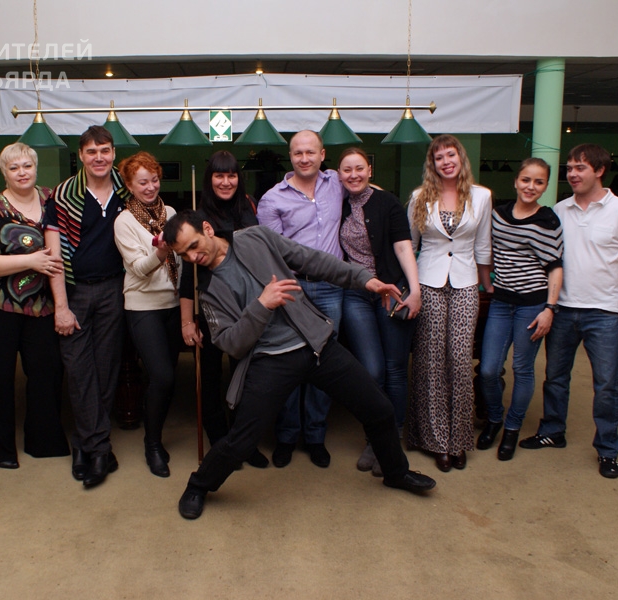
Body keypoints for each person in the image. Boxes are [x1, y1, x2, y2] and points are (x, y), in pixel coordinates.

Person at [163, 210, 436, 520]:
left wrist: (363, 279)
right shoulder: (209, 290)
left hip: (315, 344)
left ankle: (396, 473)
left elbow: (310, 260)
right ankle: (197, 486)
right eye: (184, 255)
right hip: (270, 360)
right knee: (242, 440)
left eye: (194, 245)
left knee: (379, 408)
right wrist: (261, 305)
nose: (193, 257)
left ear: (208, 229)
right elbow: (231, 343)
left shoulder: (256, 238)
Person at [519, 144, 618, 479]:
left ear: (599, 170)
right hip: (561, 309)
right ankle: (553, 431)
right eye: (570, 168)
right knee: (555, 378)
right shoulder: (558, 210)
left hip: (604, 313)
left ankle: (607, 449)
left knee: (607, 385)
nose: (573, 174)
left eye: (580, 168)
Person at [0, 142, 69, 469]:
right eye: (14, 168)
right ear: (4, 173)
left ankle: (44, 442)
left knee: (47, 373)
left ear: (36, 168)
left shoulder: (52, 199)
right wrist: (31, 261)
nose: (22, 172)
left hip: (40, 305)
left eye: (27, 166)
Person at [44, 125, 131, 489]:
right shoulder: (63, 196)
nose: (99, 157)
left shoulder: (127, 190)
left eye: (105, 150)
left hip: (115, 289)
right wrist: (61, 307)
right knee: (80, 372)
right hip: (75, 292)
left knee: (106, 370)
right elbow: (54, 257)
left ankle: (86, 444)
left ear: (113, 153)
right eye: (92, 151)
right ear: (81, 155)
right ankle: (99, 450)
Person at [256, 130, 345, 468]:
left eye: (310, 152)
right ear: (290, 156)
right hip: (294, 289)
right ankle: (286, 436)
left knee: (326, 363)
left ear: (322, 154)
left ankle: (316, 436)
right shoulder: (272, 200)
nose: (304, 158)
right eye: (297, 153)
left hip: (332, 287)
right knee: (290, 362)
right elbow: (271, 254)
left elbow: (366, 189)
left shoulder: (336, 183)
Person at [407, 135, 493, 473]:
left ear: (461, 158)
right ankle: (436, 440)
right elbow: (409, 246)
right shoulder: (419, 197)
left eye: (450, 155)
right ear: (432, 164)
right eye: (439, 157)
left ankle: (458, 440)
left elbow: (483, 244)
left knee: (458, 361)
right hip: (428, 283)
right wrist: (411, 288)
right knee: (430, 362)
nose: (446, 161)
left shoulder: (481, 196)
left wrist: (487, 285)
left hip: (466, 283)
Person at [179, 150, 268, 468]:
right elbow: (187, 274)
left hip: (247, 306)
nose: (226, 181)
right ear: (210, 179)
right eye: (219, 175)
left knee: (247, 376)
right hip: (211, 308)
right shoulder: (198, 216)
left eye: (231, 175)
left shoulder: (250, 206)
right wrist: (187, 321)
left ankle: (244, 442)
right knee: (211, 376)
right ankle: (220, 443)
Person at [336, 148, 421, 475]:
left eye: (359, 168)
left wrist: (414, 289)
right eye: (347, 170)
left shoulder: (388, 203)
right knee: (371, 371)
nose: (353, 175)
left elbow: (403, 246)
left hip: (392, 291)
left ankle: (391, 440)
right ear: (338, 174)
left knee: (395, 369)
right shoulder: (337, 203)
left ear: (370, 170)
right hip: (357, 294)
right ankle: (375, 436)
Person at [476, 158, 563, 461]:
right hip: (501, 303)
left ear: (546, 186)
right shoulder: (498, 215)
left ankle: (512, 428)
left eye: (539, 182)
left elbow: (555, 267)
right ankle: (495, 419)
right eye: (526, 180)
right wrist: (487, 283)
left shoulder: (548, 220)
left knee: (522, 369)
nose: (531, 186)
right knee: (488, 370)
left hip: (533, 305)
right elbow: (485, 250)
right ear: (516, 181)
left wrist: (550, 308)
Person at [113, 151, 183, 478]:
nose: (150, 187)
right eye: (142, 182)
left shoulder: (171, 213)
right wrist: (161, 251)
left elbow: (183, 258)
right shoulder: (124, 221)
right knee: (162, 376)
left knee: (168, 380)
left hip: (173, 303)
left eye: (154, 180)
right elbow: (139, 269)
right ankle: (152, 444)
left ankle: (155, 435)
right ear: (129, 185)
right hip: (143, 306)